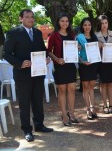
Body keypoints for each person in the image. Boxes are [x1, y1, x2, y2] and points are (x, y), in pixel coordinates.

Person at [3, 9, 53, 142]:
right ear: (21, 19)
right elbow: (6, 54)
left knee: (37, 100)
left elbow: (43, 49)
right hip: (22, 74)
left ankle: (39, 125)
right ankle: (27, 129)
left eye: (32, 17)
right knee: (24, 103)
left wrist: (46, 58)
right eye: (27, 17)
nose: (31, 19)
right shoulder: (13, 33)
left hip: (38, 73)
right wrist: (19, 63)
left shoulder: (37, 32)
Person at [47, 13, 78, 126]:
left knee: (71, 89)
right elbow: (49, 51)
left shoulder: (72, 34)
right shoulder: (53, 35)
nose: (65, 23)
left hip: (70, 65)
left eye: (67, 21)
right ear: (58, 22)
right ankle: (64, 115)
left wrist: (77, 47)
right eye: (62, 21)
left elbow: (74, 48)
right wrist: (57, 59)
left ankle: (72, 113)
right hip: (60, 66)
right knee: (62, 90)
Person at [76, 17, 99, 119]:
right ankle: (88, 109)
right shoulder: (79, 37)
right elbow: (76, 53)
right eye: (85, 25)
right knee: (85, 86)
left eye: (89, 25)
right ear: (82, 26)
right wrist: (82, 61)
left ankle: (93, 108)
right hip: (84, 64)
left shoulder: (94, 37)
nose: (87, 27)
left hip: (93, 64)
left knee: (92, 86)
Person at [95, 15, 112, 114]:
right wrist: (97, 46)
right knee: (102, 84)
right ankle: (104, 104)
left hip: (110, 62)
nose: (104, 25)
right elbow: (92, 50)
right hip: (101, 63)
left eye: (106, 23)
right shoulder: (95, 35)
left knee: (110, 84)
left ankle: (111, 103)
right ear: (99, 24)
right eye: (102, 23)